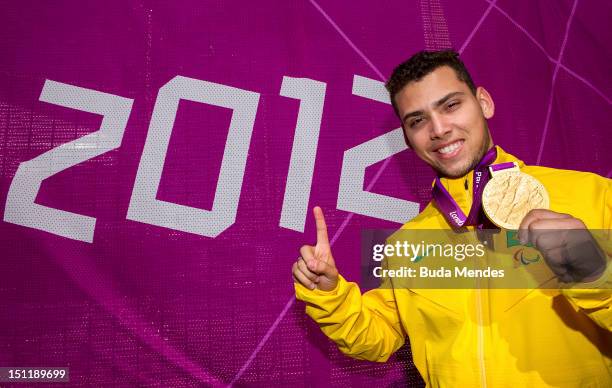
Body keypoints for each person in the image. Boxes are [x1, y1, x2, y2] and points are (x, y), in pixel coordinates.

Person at [292, 50, 611, 387]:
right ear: (407, 138)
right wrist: (330, 295)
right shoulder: (406, 242)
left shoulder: (593, 195)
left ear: (484, 103)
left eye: (451, 105)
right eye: (417, 120)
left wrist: (596, 274)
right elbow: (378, 338)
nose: (439, 129)